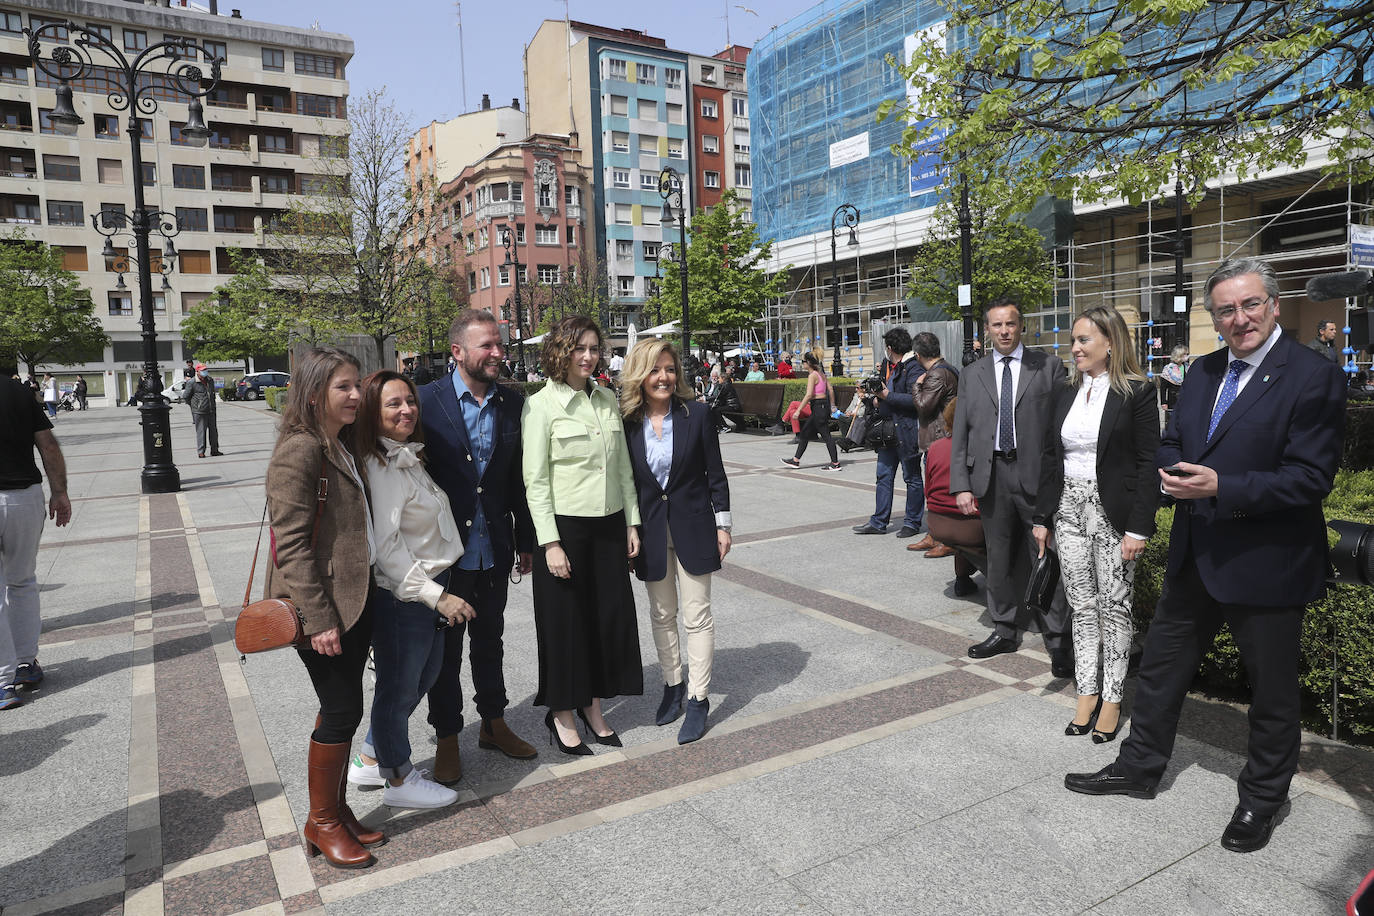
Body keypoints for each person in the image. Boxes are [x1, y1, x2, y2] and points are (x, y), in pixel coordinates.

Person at [1065, 257, 1347, 855]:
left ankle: (1263, 798)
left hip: (1268, 558)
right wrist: (1170, 472)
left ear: (1273, 304)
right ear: (1213, 318)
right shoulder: (1201, 371)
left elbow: (1310, 478)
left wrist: (1222, 485)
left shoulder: (1311, 374)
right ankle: (1139, 767)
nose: (1239, 318)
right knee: (1162, 669)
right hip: (1196, 552)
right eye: (1226, 310)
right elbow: (1172, 440)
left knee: (1271, 691)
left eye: (1249, 305)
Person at [264, 347, 382, 869]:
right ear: (314, 395)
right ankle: (322, 822)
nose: (357, 395)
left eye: (357, 385)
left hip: (353, 601)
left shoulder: (339, 445)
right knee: (341, 709)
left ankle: (335, 807)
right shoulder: (300, 450)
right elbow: (290, 544)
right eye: (344, 387)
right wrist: (318, 620)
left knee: (343, 706)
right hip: (324, 607)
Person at [1031, 307, 1160, 743]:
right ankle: (1086, 693)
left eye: (1085, 340)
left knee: (1114, 607)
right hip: (1067, 508)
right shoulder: (1065, 389)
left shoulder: (1137, 391)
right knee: (1081, 605)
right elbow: (1052, 457)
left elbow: (1149, 463)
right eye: (1074, 340)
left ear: (1111, 343)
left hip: (1113, 514)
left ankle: (1112, 698)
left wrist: (1139, 528)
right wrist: (1041, 518)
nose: (1075, 348)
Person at [419, 310, 537, 783]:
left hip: (495, 549)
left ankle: (494, 722)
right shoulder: (426, 403)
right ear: (458, 352)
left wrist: (525, 541)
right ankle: (448, 737)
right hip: (446, 557)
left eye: (499, 344)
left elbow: (520, 480)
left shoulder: (512, 402)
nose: (497, 352)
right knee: (445, 657)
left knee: (490, 643)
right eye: (486, 345)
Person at [347, 370, 471, 809]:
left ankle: (369, 755)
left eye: (409, 401)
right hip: (406, 596)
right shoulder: (381, 467)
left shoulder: (406, 456)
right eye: (393, 404)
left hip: (429, 588)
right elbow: (389, 550)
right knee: (399, 687)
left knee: (421, 678)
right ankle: (398, 780)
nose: (406, 410)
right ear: (371, 415)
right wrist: (438, 596)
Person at [522, 315, 643, 755]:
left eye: (594, 348)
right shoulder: (540, 405)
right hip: (566, 530)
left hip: (609, 526)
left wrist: (632, 521)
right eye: (580, 348)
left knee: (604, 621)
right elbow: (534, 481)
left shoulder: (607, 399)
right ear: (561, 351)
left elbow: (624, 469)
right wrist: (549, 542)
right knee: (564, 625)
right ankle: (562, 713)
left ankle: (594, 708)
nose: (589, 356)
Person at [949, 297, 1073, 677]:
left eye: (1010, 324)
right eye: (996, 325)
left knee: (1046, 555)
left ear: (1022, 327)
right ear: (986, 330)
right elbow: (961, 432)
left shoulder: (1048, 367)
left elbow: (1061, 428)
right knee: (998, 557)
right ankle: (1004, 629)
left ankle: (1058, 638)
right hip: (989, 477)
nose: (1004, 331)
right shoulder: (973, 373)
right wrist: (962, 485)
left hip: (1036, 476)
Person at [621, 340, 731, 744]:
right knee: (662, 612)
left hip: (696, 526)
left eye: (668, 369)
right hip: (650, 531)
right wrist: (628, 528)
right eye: (654, 370)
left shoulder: (697, 414)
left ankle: (699, 698)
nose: (663, 377)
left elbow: (715, 475)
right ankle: (673, 685)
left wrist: (724, 525)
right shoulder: (627, 420)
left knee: (696, 615)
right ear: (640, 376)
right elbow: (628, 482)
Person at [0, 372, 71, 711]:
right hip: (22, 497)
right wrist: (59, 491)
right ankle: (26, 663)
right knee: (22, 581)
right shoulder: (17, 391)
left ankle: (3, 681)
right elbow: (48, 444)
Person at [854, 328, 925, 538]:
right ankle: (878, 521)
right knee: (883, 475)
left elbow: (915, 400)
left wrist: (885, 395)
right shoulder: (889, 365)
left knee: (911, 477)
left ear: (890, 348)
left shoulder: (913, 367)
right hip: (886, 430)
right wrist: (875, 398)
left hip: (906, 430)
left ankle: (912, 522)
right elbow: (885, 395)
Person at [908, 332, 960, 556]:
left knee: (941, 493)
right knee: (934, 492)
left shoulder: (937, 374)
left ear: (918, 355)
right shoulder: (945, 369)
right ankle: (934, 534)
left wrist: (916, 386)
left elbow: (923, 406)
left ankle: (947, 539)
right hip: (940, 438)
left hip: (940, 440)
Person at [921, 398, 979, 597]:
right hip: (973, 524)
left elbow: (927, 489)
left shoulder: (935, 447)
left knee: (962, 539)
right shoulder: (980, 448)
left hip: (938, 523)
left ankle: (962, 579)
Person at [781, 351, 841, 470]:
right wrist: (832, 405)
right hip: (821, 407)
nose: (803, 364)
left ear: (808, 363)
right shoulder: (821, 374)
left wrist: (798, 410)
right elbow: (831, 390)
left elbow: (808, 395)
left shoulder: (812, 375)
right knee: (805, 433)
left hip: (818, 407)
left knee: (826, 436)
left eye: (804, 361)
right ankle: (795, 460)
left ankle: (835, 464)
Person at [187, 364, 222, 458]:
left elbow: (212, 393)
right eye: (202, 370)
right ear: (197, 371)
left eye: (205, 369)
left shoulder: (210, 380)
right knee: (201, 431)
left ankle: (215, 450)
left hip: (211, 410)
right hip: (199, 411)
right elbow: (186, 396)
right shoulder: (192, 382)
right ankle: (201, 451)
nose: (205, 371)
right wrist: (195, 405)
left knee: (213, 431)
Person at [1159, 344, 1189, 413]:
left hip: (1185, 399)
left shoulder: (1188, 367)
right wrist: (1163, 402)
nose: (1186, 356)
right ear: (1179, 355)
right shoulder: (1168, 369)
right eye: (1185, 354)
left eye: (1187, 354)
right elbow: (1163, 388)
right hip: (1173, 400)